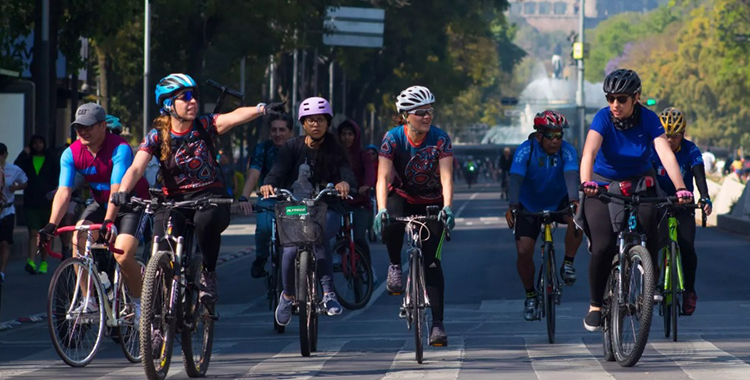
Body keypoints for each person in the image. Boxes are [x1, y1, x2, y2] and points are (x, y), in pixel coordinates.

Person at [112, 73, 285, 306]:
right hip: (173, 201)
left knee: (206, 221)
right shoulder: (156, 136)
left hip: (210, 197)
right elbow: (136, 168)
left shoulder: (204, 125)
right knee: (160, 251)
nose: (193, 101)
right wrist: (123, 191)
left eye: (194, 96)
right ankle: (158, 318)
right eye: (186, 97)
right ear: (168, 104)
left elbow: (233, 117)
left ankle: (208, 273)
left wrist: (261, 109)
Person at [577, 69, 693, 332]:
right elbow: (589, 152)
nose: (615, 105)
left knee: (651, 220)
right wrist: (587, 184)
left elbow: (665, 153)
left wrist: (681, 187)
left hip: (640, 181)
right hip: (602, 184)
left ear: (636, 98)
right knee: (603, 246)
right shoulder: (603, 118)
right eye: (610, 98)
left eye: (622, 99)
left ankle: (648, 285)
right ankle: (596, 304)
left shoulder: (650, 120)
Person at [39, 103, 151, 316]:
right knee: (80, 232)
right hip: (101, 202)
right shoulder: (70, 154)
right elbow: (64, 192)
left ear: (102, 126)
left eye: (88, 126)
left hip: (131, 203)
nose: (82, 131)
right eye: (78, 127)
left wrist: (109, 221)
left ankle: (139, 305)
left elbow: (117, 189)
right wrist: (51, 224)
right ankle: (88, 298)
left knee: (123, 255)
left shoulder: (120, 148)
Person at [260, 97, 355, 325]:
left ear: (327, 122)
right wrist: (268, 183)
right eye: (310, 120)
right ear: (303, 123)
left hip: (327, 208)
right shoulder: (292, 147)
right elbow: (277, 171)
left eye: (320, 120)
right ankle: (287, 296)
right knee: (290, 250)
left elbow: (347, 173)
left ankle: (329, 294)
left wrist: (344, 183)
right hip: (294, 207)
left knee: (318, 235)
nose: (316, 124)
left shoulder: (336, 148)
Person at [372, 85, 454, 346]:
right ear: (406, 115)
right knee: (392, 223)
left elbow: (446, 177)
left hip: (433, 202)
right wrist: (381, 209)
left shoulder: (440, 139)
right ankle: (395, 265)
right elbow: (382, 177)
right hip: (403, 198)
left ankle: (438, 324)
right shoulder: (393, 138)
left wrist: (448, 207)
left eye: (429, 111)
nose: (427, 116)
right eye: (420, 112)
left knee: (432, 263)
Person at [504, 110, 583, 321]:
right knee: (524, 251)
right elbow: (515, 179)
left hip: (558, 200)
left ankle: (567, 263)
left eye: (559, 135)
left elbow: (571, 175)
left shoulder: (567, 151)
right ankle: (530, 295)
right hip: (529, 204)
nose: (556, 140)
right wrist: (513, 205)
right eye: (551, 136)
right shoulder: (526, 150)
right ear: (539, 135)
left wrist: (575, 200)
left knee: (578, 218)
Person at [650, 107, 712, 315]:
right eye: (666, 136)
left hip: (683, 204)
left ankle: (689, 292)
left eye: (674, 136)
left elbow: (699, 175)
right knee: (653, 244)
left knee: (687, 249)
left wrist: (704, 197)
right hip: (659, 201)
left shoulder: (691, 149)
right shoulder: (653, 149)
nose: (669, 141)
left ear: (682, 134)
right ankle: (653, 283)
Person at [239, 113, 295, 278]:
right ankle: (261, 258)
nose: (278, 134)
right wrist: (244, 197)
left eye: (282, 130)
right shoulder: (262, 148)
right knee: (263, 229)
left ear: (291, 132)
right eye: (274, 130)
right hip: (268, 198)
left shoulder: (298, 148)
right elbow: (254, 175)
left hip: (294, 200)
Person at [14, 134, 59, 274]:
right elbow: (17, 167)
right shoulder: (27, 160)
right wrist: (24, 153)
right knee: (33, 232)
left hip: (47, 202)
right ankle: (31, 261)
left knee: (45, 234)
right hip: (31, 202)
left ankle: (44, 262)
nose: (37, 145)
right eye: (35, 143)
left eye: (40, 142)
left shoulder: (51, 159)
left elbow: (58, 174)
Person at [337, 119, 376, 260]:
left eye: (350, 134)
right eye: (343, 134)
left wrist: (366, 185)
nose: (346, 138)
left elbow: (370, 172)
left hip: (359, 202)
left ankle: (368, 267)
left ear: (356, 136)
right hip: (339, 202)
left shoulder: (363, 155)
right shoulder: (335, 155)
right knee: (336, 235)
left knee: (359, 238)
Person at [0, 143, 28, 283]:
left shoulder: (14, 169)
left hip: (7, 209)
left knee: (5, 242)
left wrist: (15, 187)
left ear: (5, 154)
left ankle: (2, 271)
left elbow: (25, 182)